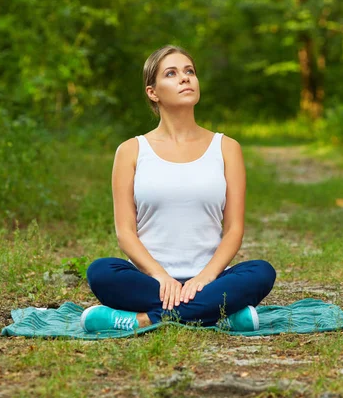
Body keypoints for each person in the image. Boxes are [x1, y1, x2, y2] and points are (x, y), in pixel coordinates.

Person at [81, 45, 276, 333]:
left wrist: (205, 279)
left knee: (261, 272)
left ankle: (142, 320)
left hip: (211, 280)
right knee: (101, 271)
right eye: (171, 73)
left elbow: (234, 230)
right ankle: (219, 316)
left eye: (190, 72)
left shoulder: (226, 148)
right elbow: (125, 232)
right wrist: (161, 277)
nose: (185, 78)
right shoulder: (131, 151)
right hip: (149, 281)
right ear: (153, 92)